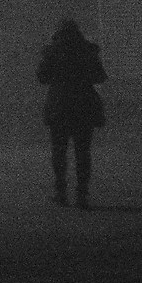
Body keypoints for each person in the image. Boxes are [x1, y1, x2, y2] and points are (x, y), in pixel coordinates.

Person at [37, 17, 106, 209]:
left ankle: (61, 193)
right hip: (83, 105)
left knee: (59, 152)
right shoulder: (87, 51)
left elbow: (42, 77)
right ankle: (81, 194)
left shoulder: (52, 52)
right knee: (83, 152)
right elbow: (100, 76)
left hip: (59, 106)